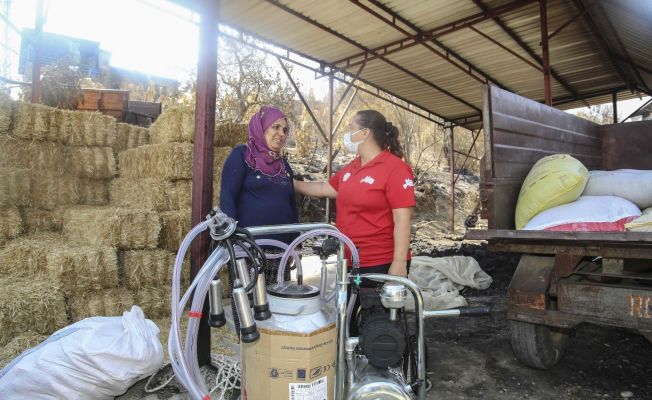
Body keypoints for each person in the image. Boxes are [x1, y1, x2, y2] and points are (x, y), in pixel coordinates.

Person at [294, 109, 415, 277]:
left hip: (380, 262)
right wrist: (291, 184)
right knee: (349, 303)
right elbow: (324, 188)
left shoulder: (395, 169)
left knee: (373, 304)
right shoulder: (353, 167)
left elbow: (403, 219)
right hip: (349, 259)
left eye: (351, 128)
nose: (347, 134)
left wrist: (399, 262)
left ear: (365, 133)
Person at [220, 106, 298, 282]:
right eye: (275, 127)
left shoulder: (283, 164)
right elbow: (227, 197)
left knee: (280, 303)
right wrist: (234, 240)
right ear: (260, 127)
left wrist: (295, 243)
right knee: (249, 304)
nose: (281, 133)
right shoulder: (241, 156)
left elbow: (291, 204)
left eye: (285, 130)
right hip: (249, 248)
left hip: (281, 250)